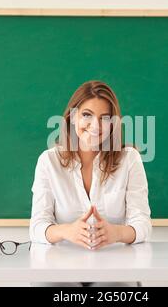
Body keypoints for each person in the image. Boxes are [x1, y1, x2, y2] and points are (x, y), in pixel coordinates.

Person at [29, 80, 151, 286]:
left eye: (105, 118)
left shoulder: (129, 159)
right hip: (60, 266)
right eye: (87, 115)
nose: (95, 126)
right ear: (73, 116)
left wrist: (116, 233)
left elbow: (142, 224)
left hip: (115, 266)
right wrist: (66, 231)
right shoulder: (48, 161)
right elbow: (37, 226)